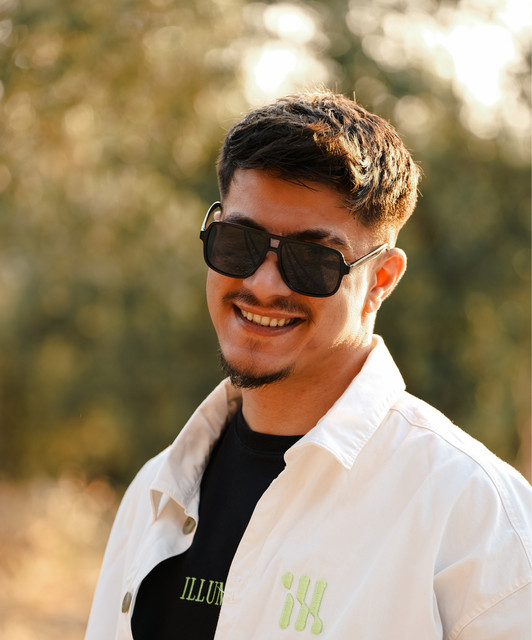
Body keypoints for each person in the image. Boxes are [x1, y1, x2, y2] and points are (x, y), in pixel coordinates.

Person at [85, 90, 531, 640]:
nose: (263, 284)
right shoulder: (154, 493)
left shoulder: (477, 518)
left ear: (381, 280)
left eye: (312, 259)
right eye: (239, 242)